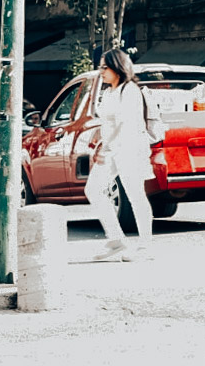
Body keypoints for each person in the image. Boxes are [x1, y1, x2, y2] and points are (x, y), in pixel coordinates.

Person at [85, 49, 154, 262]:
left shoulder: (130, 90)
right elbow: (107, 121)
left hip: (130, 148)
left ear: (118, 67)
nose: (101, 71)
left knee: (135, 195)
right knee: (93, 189)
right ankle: (116, 240)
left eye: (105, 67)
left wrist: (106, 148)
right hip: (112, 148)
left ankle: (145, 246)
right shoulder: (108, 92)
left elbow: (125, 123)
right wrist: (98, 138)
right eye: (100, 67)